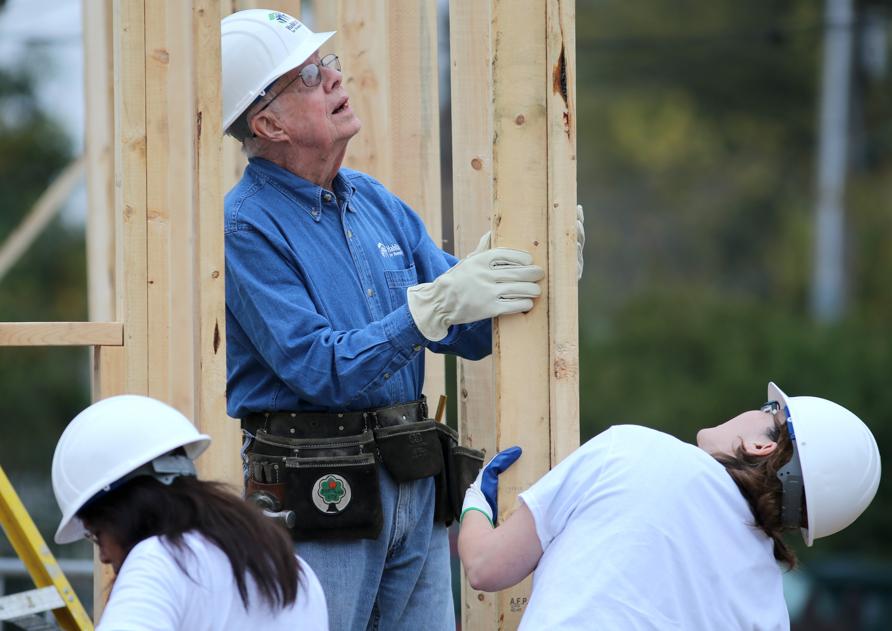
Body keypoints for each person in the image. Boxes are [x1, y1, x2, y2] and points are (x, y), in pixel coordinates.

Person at [220, 9, 583, 630]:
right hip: (319, 489)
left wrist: (534, 268)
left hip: (409, 481)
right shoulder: (245, 225)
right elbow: (318, 367)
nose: (333, 79)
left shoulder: (373, 202)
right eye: (307, 76)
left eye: (325, 64)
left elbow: (467, 333)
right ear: (267, 123)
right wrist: (433, 307)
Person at [458, 382, 882, 630]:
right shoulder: (769, 613)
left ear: (762, 445)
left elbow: (486, 566)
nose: (752, 409)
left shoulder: (630, 449)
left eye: (768, 409)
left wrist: (474, 500)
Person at [50, 395, 329, 630]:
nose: (104, 556)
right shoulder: (290, 567)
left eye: (97, 534)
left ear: (125, 510)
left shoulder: (161, 560)